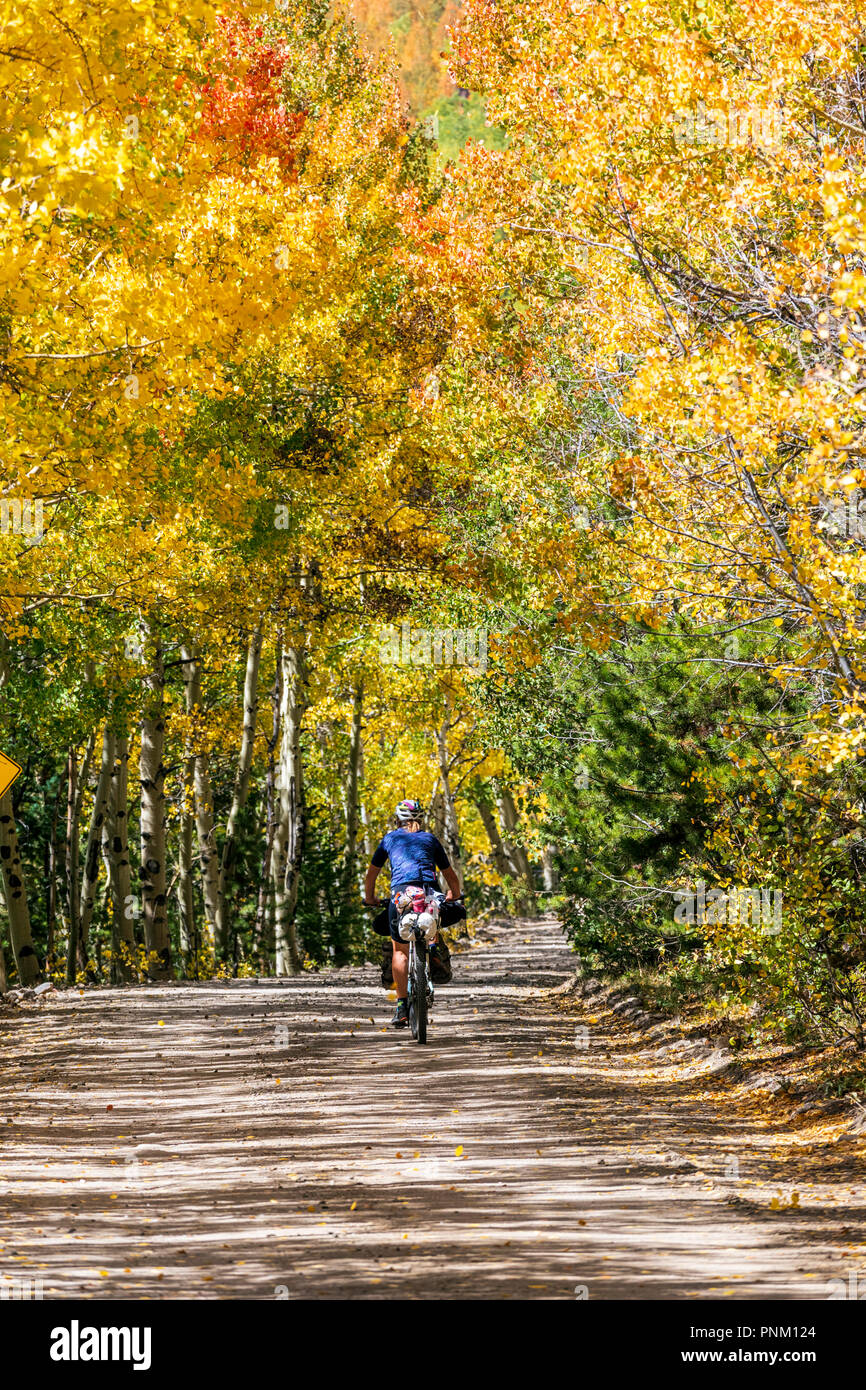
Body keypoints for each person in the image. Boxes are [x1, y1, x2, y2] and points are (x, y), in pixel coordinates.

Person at [363, 798, 463, 1028]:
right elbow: (450, 875)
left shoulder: (389, 839)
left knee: (399, 950)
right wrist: (455, 894)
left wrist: (370, 899)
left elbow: (371, 876)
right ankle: (434, 950)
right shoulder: (430, 839)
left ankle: (401, 1007)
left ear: (397, 820)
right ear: (421, 820)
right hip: (429, 892)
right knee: (433, 918)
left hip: (401, 896)